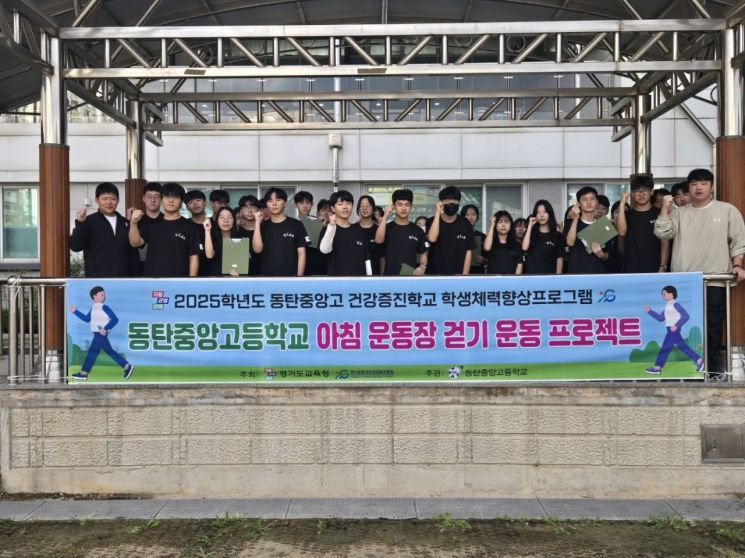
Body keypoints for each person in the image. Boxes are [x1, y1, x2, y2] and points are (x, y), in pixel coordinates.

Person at [654, 168, 745, 376]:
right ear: (689, 187)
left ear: (711, 187)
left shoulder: (727, 210)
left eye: (703, 183)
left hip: (715, 279)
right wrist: (665, 208)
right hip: (685, 283)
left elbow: (738, 240)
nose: (698, 187)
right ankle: (687, 371)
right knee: (684, 328)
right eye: (694, 183)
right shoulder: (679, 213)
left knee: (713, 326)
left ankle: (710, 371)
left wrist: (737, 264)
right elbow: (662, 232)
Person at [128, 182, 200, 277]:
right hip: (153, 279)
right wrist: (133, 223)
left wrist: (190, 281)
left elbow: (194, 257)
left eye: (175, 197)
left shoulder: (190, 226)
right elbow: (135, 243)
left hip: (179, 279)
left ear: (181, 202)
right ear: (162, 200)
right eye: (167, 197)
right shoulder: (152, 224)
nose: (171, 201)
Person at [69, 182, 137, 277]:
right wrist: (80, 223)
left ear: (118, 200)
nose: (109, 202)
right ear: (97, 200)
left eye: (113, 199)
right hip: (97, 280)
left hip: (123, 279)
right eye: (104, 199)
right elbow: (75, 246)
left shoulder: (125, 222)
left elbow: (133, 254)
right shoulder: (88, 221)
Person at [69, 286, 134, 381]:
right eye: (101, 294)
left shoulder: (104, 307)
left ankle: (84, 373)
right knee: (107, 351)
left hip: (100, 334)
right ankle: (126, 365)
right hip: (97, 334)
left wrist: (105, 328)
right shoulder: (93, 307)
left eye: (104, 294)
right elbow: (87, 319)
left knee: (93, 353)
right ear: (94, 296)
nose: (104, 296)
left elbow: (115, 319)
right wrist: (75, 311)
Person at [643, 285, 704, 375]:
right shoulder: (668, 306)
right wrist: (649, 311)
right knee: (681, 347)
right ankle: (699, 360)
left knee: (666, 348)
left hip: (673, 330)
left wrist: (676, 325)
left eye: (664, 293)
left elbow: (686, 316)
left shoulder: (676, 305)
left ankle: (657, 368)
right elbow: (660, 318)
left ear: (671, 294)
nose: (663, 295)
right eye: (662, 294)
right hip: (670, 329)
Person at [616, 174, 669, 274]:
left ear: (651, 192)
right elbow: (621, 233)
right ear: (632, 194)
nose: (641, 194)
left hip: (655, 268)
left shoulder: (659, 213)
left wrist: (663, 267)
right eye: (637, 191)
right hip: (631, 268)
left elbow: (664, 242)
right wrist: (622, 203)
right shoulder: (627, 215)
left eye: (645, 190)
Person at [251, 187, 308, 277]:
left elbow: (301, 253)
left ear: (285, 203)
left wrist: (298, 278)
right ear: (266, 204)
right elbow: (257, 249)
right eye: (270, 201)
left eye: (278, 200)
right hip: (267, 278)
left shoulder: (296, 225)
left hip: (291, 278)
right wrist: (257, 222)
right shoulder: (262, 226)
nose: (274, 204)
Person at [375, 188, 428, 276]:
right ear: (394, 206)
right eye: (400, 204)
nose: (403, 208)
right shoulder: (387, 228)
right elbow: (378, 240)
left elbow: (423, 253)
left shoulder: (417, 230)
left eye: (407, 205)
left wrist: (423, 266)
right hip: (389, 277)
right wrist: (385, 215)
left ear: (411, 206)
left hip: (410, 277)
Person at [425, 185, 475, 275]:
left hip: (458, 275)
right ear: (441, 202)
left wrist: (464, 276)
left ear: (459, 202)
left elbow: (468, 251)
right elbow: (432, 239)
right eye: (448, 200)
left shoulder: (465, 223)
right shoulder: (431, 221)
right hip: (435, 274)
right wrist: (438, 212)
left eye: (455, 200)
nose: (451, 203)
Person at [319, 190, 369, 276]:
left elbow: (367, 260)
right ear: (333, 208)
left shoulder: (359, 231)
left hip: (359, 282)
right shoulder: (328, 229)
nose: (345, 207)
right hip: (336, 282)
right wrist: (331, 226)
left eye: (348, 203)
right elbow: (324, 250)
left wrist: (370, 280)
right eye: (340, 204)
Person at [565, 186, 609, 274]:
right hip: (576, 274)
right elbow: (570, 243)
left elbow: (608, 256)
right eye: (585, 199)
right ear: (578, 203)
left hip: (598, 273)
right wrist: (575, 218)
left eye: (592, 199)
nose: (589, 202)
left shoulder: (604, 225)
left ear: (597, 202)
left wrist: (602, 255)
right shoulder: (571, 223)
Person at [521, 199, 563, 275]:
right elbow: (524, 248)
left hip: (549, 277)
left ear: (550, 214)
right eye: (538, 212)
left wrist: (557, 278)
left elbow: (559, 259)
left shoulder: (557, 236)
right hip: (530, 277)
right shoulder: (530, 233)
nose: (541, 215)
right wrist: (530, 226)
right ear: (535, 215)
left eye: (545, 212)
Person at [204, 206, 242, 276]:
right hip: (215, 279)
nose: (225, 220)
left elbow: (238, 266)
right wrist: (207, 230)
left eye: (229, 217)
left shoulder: (239, 240)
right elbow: (209, 255)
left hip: (233, 280)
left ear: (234, 220)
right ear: (217, 220)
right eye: (222, 217)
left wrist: (236, 272)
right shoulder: (212, 237)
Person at [483, 210, 523, 275]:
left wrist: (515, 280)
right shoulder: (490, 242)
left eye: (507, 222)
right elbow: (487, 248)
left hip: (511, 280)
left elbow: (519, 265)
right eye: (500, 222)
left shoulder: (516, 244)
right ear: (495, 224)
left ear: (511, 225)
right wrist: (492, 225)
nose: (503, 225)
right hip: (492, 280)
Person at [184, 189, 211, 276]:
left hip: (212, 273)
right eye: (191, 202)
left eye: (198, 200)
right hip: (189, 273)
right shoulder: (184, 226)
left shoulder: (214, 225)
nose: (195, 204)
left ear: (205, 203)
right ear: (187, 207)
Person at [355, 194, 383, 276]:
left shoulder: (379, 231)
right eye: (361, 205)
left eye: (368, 205)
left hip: (375, 277)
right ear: (358, 209)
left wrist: (382, 277)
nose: (365, 208)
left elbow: (382, 258)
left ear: (373, 209)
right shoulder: (352, 229)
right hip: (356, 276)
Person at [236, 195, 262, 276]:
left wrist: (258, 222)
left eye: (253, 207)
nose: (249, 211)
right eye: (245, 208)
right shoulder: (237, 231)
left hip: (263, 275)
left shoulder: (265, 229)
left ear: (258, 210)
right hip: (243, 276)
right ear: (241, 211)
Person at [461, 204, 486, 274]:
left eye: (473, 215)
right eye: (467, 215)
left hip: (478, 273)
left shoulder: (483, 237)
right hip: (460, 272)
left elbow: (491, 259)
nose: (470, 217)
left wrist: (484, 260)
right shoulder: (457, 235)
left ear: (477, 217)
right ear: (462, 217)